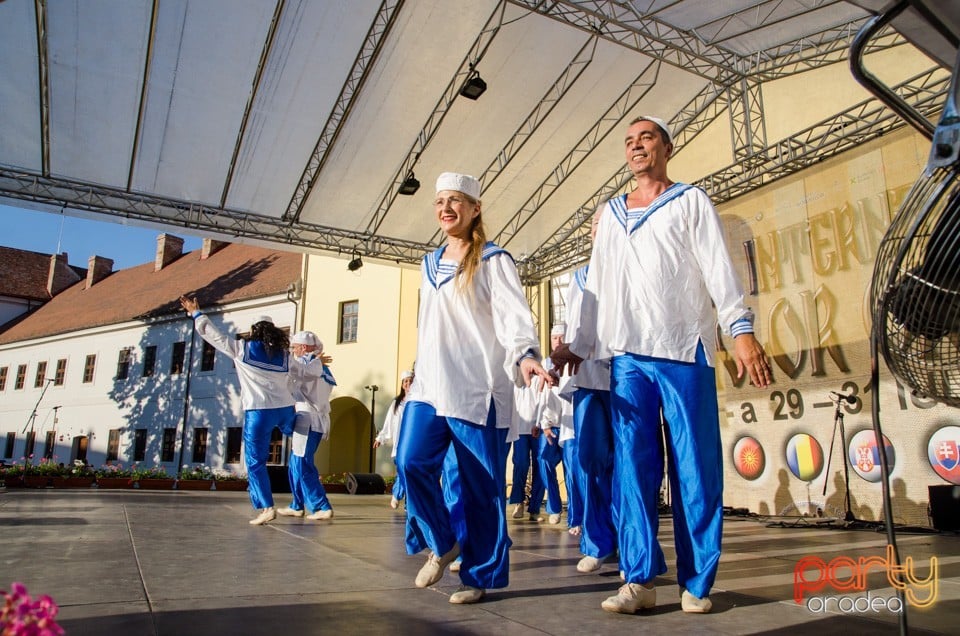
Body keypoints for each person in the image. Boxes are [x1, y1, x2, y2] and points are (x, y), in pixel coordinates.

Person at [551, 116, 772, 615]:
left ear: (667, 147)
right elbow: (597, 287)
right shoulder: (609, 213)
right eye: (628, 141)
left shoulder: (691, 201)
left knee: (695, 466)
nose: (636, 147)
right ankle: (639, 578)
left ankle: (696, 581)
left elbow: (719, 266)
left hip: (682, 348)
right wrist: (580, 344)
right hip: (628, 356)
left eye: (646, 138)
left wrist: (740, 330)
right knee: (632, 469)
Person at [395, 172, 553, 605]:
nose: (446, 208)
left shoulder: (493, 259)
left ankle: (480, 575)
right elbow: (428, 326)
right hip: (429, 384)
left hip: (475, 387)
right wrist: (414, 369)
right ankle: (443, 542)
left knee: (480, 488)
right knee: (410, 462)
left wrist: (525, 355)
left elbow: (513, 315)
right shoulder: (428, 264)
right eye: (440, 201)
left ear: (475, 208)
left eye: (456, 201)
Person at [179, 295, 306, 525]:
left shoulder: (242, 349)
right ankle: (306, 447)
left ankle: (266, 507)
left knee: (255, 460)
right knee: (297, 435)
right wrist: (317, 362)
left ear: (254, 331)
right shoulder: (285, 356)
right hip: (286, 408)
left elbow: (213, 335)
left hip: (259, 411)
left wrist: (196, 313)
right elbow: (302, 370)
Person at [562, 213, 617, 574]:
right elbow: (573, 326)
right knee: (589, 459)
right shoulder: (579, 277)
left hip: (628, 378)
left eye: (606, 223)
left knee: (629, 465)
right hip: (589, 381)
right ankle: (598, 541)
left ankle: (632, 544)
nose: (600, 230)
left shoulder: (630, 267)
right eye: (595, 225)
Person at [276, 331, 336, 521]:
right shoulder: (315, 365)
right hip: (309, 419)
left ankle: (321, 506)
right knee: (295, 464)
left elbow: (296, 376)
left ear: (303, 348)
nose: (292, 351)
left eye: (294, 347)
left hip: (308, 418)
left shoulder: (307, 364)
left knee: (302, 463)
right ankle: (297, 504)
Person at [374, 370, 414, 509]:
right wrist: (381, 438)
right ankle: (398, 494)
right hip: (399, 445)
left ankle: (407, 503)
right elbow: (388, 422)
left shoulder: (417, 401)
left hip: (414, 444)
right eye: (406, 381)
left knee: (411, 473)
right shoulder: (396, 403)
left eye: (410, 381)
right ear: (402, 385)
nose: (408, 383)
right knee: (404, 471)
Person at [508, 383, 545, 521]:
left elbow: (543, 400)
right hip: (519, 429)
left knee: (539, 466)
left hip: (538, 428)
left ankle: (535, 509)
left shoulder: (539, 376)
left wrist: (541, 423)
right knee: (521, 463)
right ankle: (519, 502)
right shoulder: (515, 378)